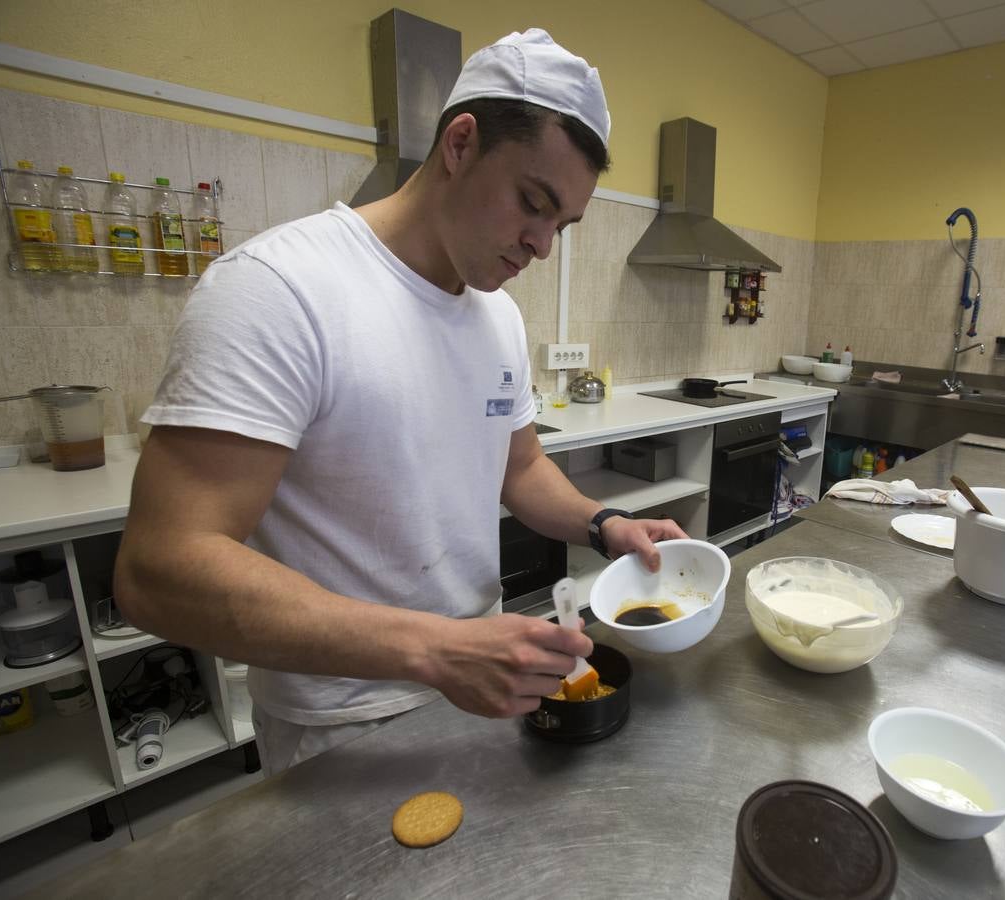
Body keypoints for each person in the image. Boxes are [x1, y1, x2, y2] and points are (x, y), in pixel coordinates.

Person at [114, 29, 687, 774]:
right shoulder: (278, 289)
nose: (542, 246)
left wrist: (604, 523)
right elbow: (158, 569)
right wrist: (436, 649)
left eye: (561, 224)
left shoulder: (497, 314)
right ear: (459, 143)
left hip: (488, 688)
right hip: (346, 723)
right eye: (532, 202)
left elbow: (517, 467)